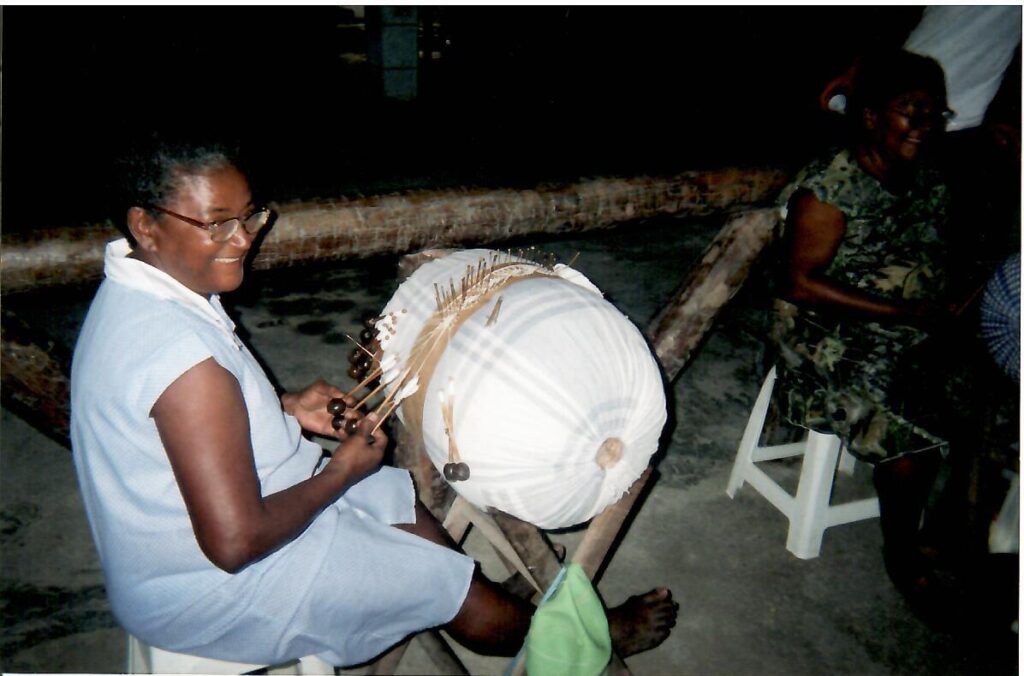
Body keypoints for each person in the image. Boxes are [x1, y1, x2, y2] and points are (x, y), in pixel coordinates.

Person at [69, 137, 677, 667]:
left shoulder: (138, 293)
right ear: (145, 224)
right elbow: (233, 543)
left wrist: (283, 405)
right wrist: (341, 471)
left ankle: (476, 594)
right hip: (215, 589)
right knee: (446, 583)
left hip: (178, 547)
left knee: (400, 504)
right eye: (216, 224)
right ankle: (587, 637)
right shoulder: (183, 360)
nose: (243, 240)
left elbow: (178, 420)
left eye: (249, 217)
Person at [770, 49, 960, 599]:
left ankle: (948, 532)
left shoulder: (922, 173)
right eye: (911, 112)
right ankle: (903, 556)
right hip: (820, 335)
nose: (926, 126)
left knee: (982, 393)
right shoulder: (832, 185)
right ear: (872, 116)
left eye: (935, 114)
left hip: (901, 324)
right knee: (906, 430)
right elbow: (798, 284)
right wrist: (908, 314)